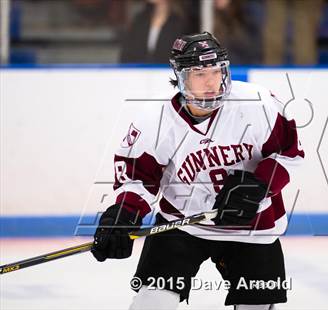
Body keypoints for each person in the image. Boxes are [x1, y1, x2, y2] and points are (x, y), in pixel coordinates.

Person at [91, 32, 304, 309]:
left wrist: (261, 184)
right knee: (150, 304)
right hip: (181, 226)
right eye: (199, 73)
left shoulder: (259, 104)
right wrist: (125, 212)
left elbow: (291, 152)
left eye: (217, 71)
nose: (212, 82)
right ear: (180, 77)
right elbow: (138, 178)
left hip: (253, 229)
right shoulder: (154, 119)